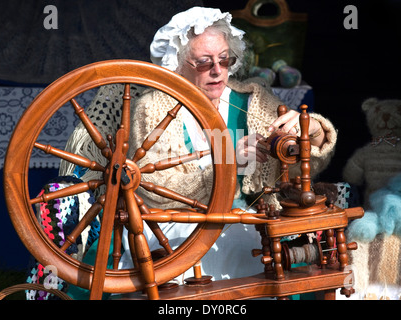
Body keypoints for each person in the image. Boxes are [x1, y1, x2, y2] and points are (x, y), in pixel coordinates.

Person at [59, 6, 337, 293]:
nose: (217, 71)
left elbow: (298, 165)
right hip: (173, 223)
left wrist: (313, 131)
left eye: (224, 59)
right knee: (224, 258)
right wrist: (227, 163)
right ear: (178, 63)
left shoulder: (252, 100)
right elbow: (151, 188)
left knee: (256, 250)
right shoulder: (154, 108)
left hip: (245, 219)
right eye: (204, 62)